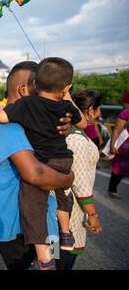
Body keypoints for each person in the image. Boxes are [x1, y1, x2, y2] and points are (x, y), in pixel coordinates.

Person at [0, 58, 87, 269]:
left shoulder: (25, 112)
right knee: (27, 262)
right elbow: (36, 175)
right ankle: (52, 252)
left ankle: (48, 259)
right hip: (18, 229)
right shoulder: (8, 128)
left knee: (49, 246)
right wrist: (68, 178)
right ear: (24, 89)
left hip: (44, 222)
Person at [57, 90, 103, 270]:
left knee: (55, 251)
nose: (99, 115)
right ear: (91, 110)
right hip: (71, 210)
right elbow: (81, 185)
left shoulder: (74, 132)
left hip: (60, 207)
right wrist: (93, 215)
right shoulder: (77, 138)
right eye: (98, 110)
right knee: (64, 257)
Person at [107, 108, 129, 199]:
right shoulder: (127, 112)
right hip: (126, 146)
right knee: (119, 168)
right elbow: (117, 129)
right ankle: (112, 188)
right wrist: (112, 145)